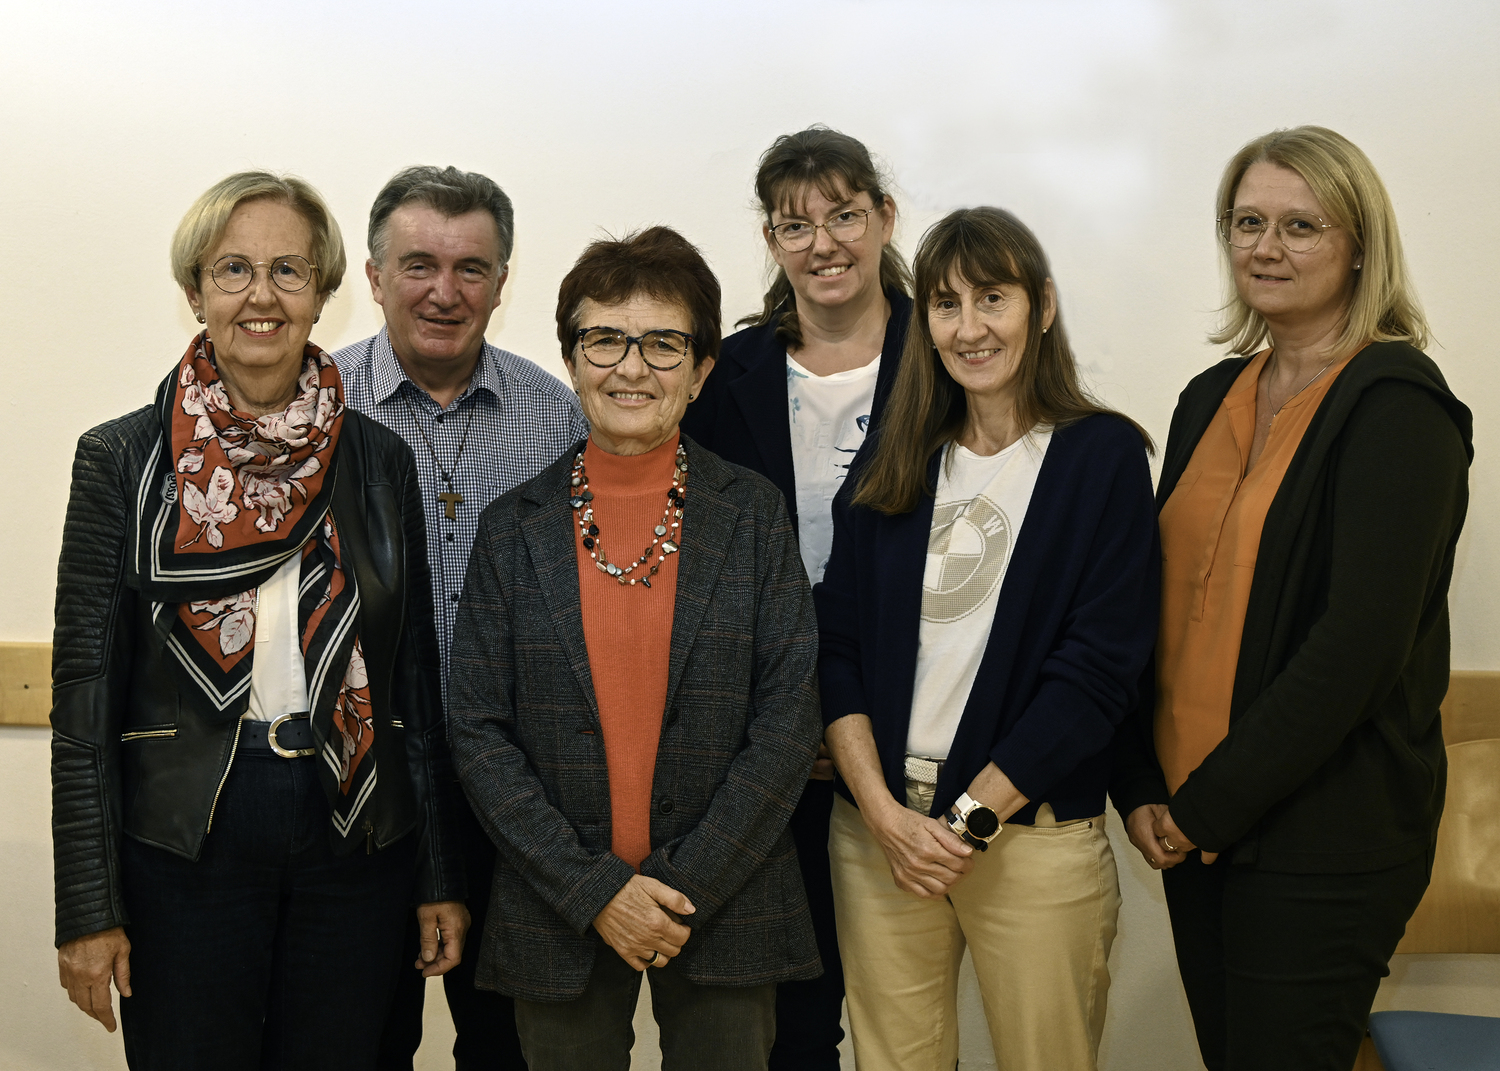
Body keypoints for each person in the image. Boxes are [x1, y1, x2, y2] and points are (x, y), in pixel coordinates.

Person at [50, 171, 467, 1070]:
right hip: (186, 836)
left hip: (354, 828)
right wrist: (89, 906)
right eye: (232, 269)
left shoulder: (380, 459)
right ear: (194, 291)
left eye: (287, 269)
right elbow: (82, 706)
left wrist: (439, 877)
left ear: (322, 290)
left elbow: (415, 686)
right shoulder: (121, 459)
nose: (261, 295)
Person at [1112, 126, 1472, 1071]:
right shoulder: (1210, 395)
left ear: (1361, 244)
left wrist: (1207, 807)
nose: (1267, 247)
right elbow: (1150, 606)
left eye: (1301, 225)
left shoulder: (1400, 406)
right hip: (1193, 830)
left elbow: (1356, 647)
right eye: (1248, 222)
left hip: (1323, 840)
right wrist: (1147, 790)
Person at [448, 226, 823, 1071]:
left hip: (726, 898)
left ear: (700, 371)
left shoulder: (753, 513)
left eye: (663, 344)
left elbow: (789, 715)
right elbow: (476, 727)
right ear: (572, 359)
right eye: (606, 339)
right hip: (557, 906)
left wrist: (679, 889)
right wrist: (597, 893)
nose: (631, 366)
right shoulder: (512, 528)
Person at [816, 207, 1158, 1071]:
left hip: (1029, 837)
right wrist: (888, 817)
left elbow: (1099, 670)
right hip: (879, 838)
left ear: (1041, 306)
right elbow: (836, 648)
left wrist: (967, 819)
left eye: (992, 299)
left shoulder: (1100, 456)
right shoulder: (895, 456)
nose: (969, 328)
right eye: (945, 304)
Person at [333, 164, 589, 1071]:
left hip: (513, 803)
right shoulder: (315, 412)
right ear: (372, 277)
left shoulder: (559, 420)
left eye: (471, 268)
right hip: (357, 797)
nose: (445, 292)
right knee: (359, 1041)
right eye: (418, 265)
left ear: (501, 283)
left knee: (512, 1049)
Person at [679, 125, 911, 1069]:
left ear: (885, 218)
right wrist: (788, 721)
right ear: (771, 241)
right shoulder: (722, 375)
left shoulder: (949, 354)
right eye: (795, 225)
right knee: (796, 1017)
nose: (824, 244)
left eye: (845, 215)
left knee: (908, 1003)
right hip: (766, 748)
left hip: (909, 736)